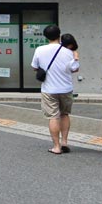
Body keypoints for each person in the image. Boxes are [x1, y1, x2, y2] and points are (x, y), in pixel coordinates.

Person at [31, 25, 80, 155]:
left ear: (45, 36)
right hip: (66, 88)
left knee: (53, 117)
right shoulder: (68, 51)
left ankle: (56, 147)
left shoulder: (40, 50)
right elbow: (75, 69)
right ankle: (64, 142)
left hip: (49, 89)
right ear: (59, 35)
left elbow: (35, 67)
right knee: (64, 114)